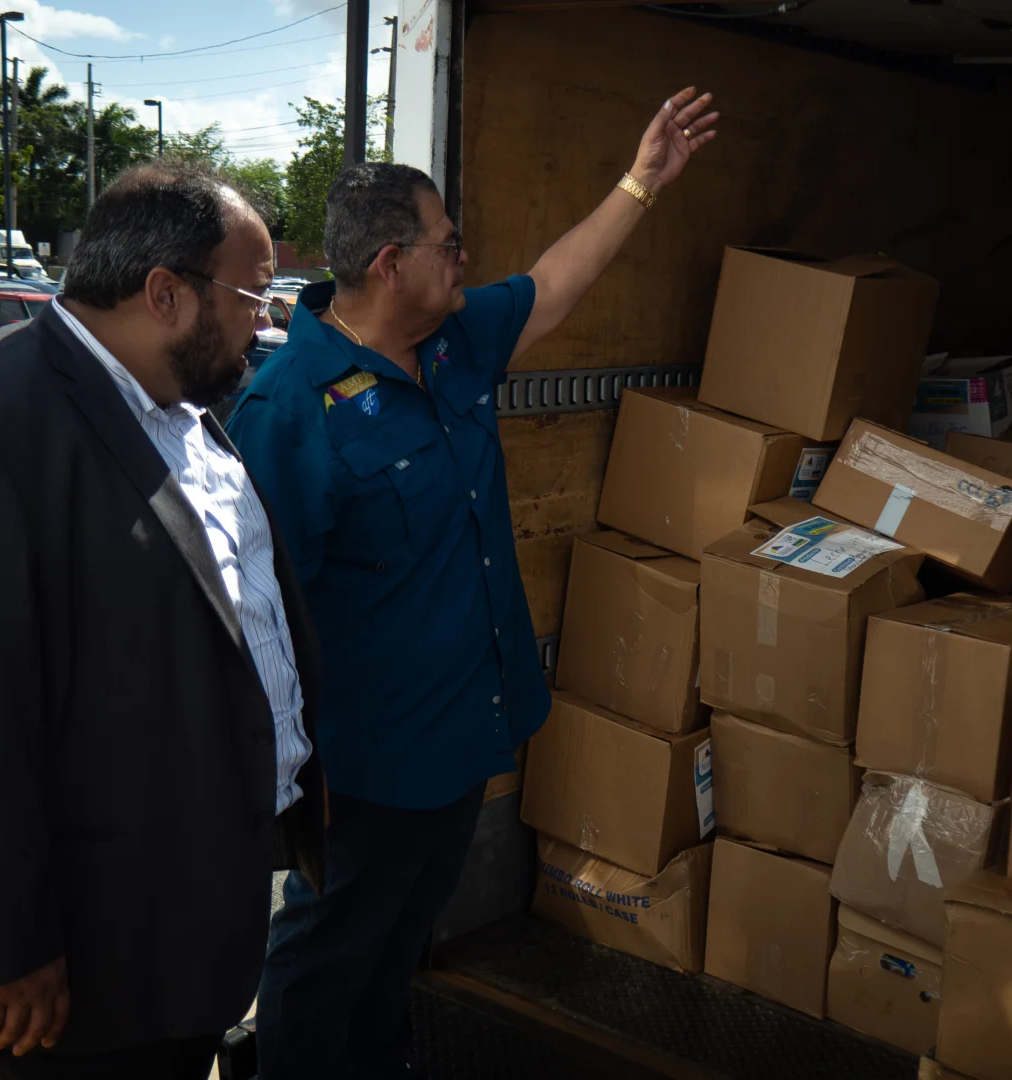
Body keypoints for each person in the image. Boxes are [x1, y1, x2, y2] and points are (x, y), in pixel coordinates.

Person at [0, 161, 327, 1080]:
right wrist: (0, 941)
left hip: (163, 921)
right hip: (48, 975)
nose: (265, 320)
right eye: (250, 294)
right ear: (165, 293)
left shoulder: (184, 412)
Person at [227, 87, 720, 1077]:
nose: (464, 258)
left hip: (463, 739)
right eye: (447, 243)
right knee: (324, 958)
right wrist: (287, 777)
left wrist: (642, 181)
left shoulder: (452, 341)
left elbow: (555, 282)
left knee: (399, 948)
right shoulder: (292, 409)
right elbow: (254, 618)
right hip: (361, 774)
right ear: (387, 263)